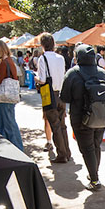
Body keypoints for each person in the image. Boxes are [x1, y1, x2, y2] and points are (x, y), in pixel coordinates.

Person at [61, 44, 105, 191]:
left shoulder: (72, 73)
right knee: (96, 145)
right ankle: (94, 173)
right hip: (101, 116)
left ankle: (94, 180)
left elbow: (65, 97)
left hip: (80, 118)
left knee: (87, 148)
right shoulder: (103, 73)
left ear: (77, 57)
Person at [37, 33, 70, 163]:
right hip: (61, 93)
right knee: (62, 125)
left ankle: (62, 154)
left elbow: (43, 79)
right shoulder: (60, 58)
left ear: (42, 45)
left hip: (49, 94)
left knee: (55, 125)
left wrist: (36, 79)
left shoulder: (42, 58)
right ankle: (67, 151)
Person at [0, 40, 24, 151]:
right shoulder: (10, 61)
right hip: (8, 97)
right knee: (9, 123)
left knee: (7, 125)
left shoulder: (4, 63)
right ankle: (13, 149)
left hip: (4, 98)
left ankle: (16, 149)